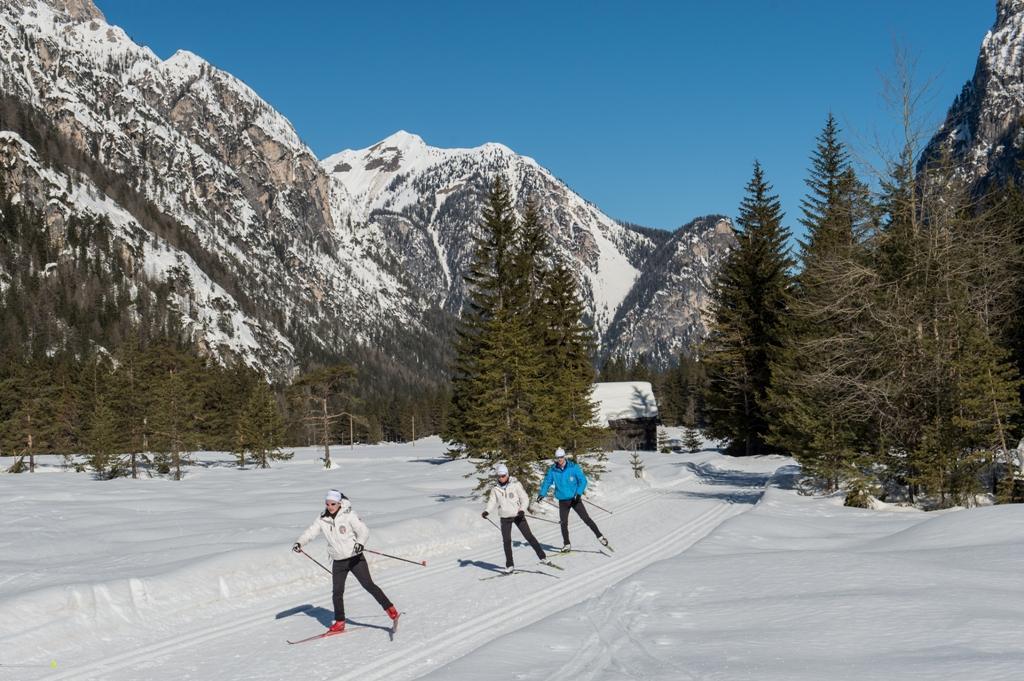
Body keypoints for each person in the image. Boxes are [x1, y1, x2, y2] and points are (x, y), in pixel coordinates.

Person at [293, 489, 399, 633]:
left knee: (368, 585)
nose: (330, 506)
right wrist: (300, 542)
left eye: (333, 504)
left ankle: (391, 610)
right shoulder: (322, 518)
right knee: (337, 592)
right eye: (327, 503)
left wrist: (360, 542)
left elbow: (363, 531)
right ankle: (340, 622)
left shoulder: (349, 515)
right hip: (338, 560)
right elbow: (311, 532)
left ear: (339, 503)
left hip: (355, 558)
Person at [537, 447, 608, 552]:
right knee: (563, 523)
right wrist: (542, 493)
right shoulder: (553, 469)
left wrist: (578, 494)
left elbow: (583, 481)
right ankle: (567, 544)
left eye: (561, 457)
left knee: (586, 519)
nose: (560, 460)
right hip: (563, 500)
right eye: (557, 458)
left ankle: (600, 537)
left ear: (564, 457)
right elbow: (547, 482)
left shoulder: (573, 467)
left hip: (575, 499)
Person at [482, 463, 547, 573]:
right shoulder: (495, 489)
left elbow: (525, 498)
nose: (501, 478)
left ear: (507, 475)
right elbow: (492, 501)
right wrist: (487, 511)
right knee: (506, 541)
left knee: (529, 536)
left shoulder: (515, 484)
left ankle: (542, 557)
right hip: (504, 517)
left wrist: (522, 510)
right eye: (499, 476)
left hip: (518, 515)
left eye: (503, 476)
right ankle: (510, 565)